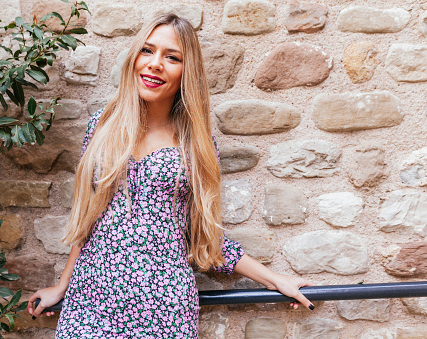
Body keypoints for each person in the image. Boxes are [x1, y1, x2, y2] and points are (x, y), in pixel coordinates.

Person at [27, 13, 314, 338]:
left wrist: (276, 280)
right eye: (147, 51)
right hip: (90, 303)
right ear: (135, 57)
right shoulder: (102, 127)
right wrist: (62, 285)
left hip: (163, 308)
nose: (155, 64)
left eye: (172, 57)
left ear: (185, 72)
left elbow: (203, 237)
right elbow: (89, 220)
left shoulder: (195, 145)